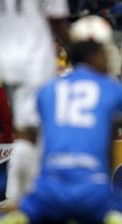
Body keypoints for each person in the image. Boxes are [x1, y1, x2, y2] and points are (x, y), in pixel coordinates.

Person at [0, 40, 122, 224]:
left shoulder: (47, 89)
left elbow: (35, 137)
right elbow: (109, 149)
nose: (108, 61)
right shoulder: (115, 90)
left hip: (49, 191)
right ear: (93, 57)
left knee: (11, 212)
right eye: (104, 55)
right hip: (93, 191)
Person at [0, 0, 71, 204]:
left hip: (8, 61)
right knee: (34, 133)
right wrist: (80, 49)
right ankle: (19, 197)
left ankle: (21, 194)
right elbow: (56, 20)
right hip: (35, 59)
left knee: (25, 130)